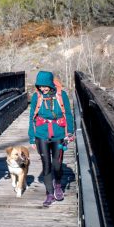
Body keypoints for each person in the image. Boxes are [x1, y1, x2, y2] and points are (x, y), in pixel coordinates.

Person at [28, 71, 74, 207]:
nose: (43, 89)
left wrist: (69, 133)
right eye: (40, 86)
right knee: (46, 164)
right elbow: (32, 118)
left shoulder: (61, 95)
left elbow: (69, 114)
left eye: (45, 86)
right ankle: (49, 193)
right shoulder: (37, 97)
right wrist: (31, 138)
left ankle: (58, 184)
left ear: (50, 84)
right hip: (41, 134)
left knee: (57, 164)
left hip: (59, 134)